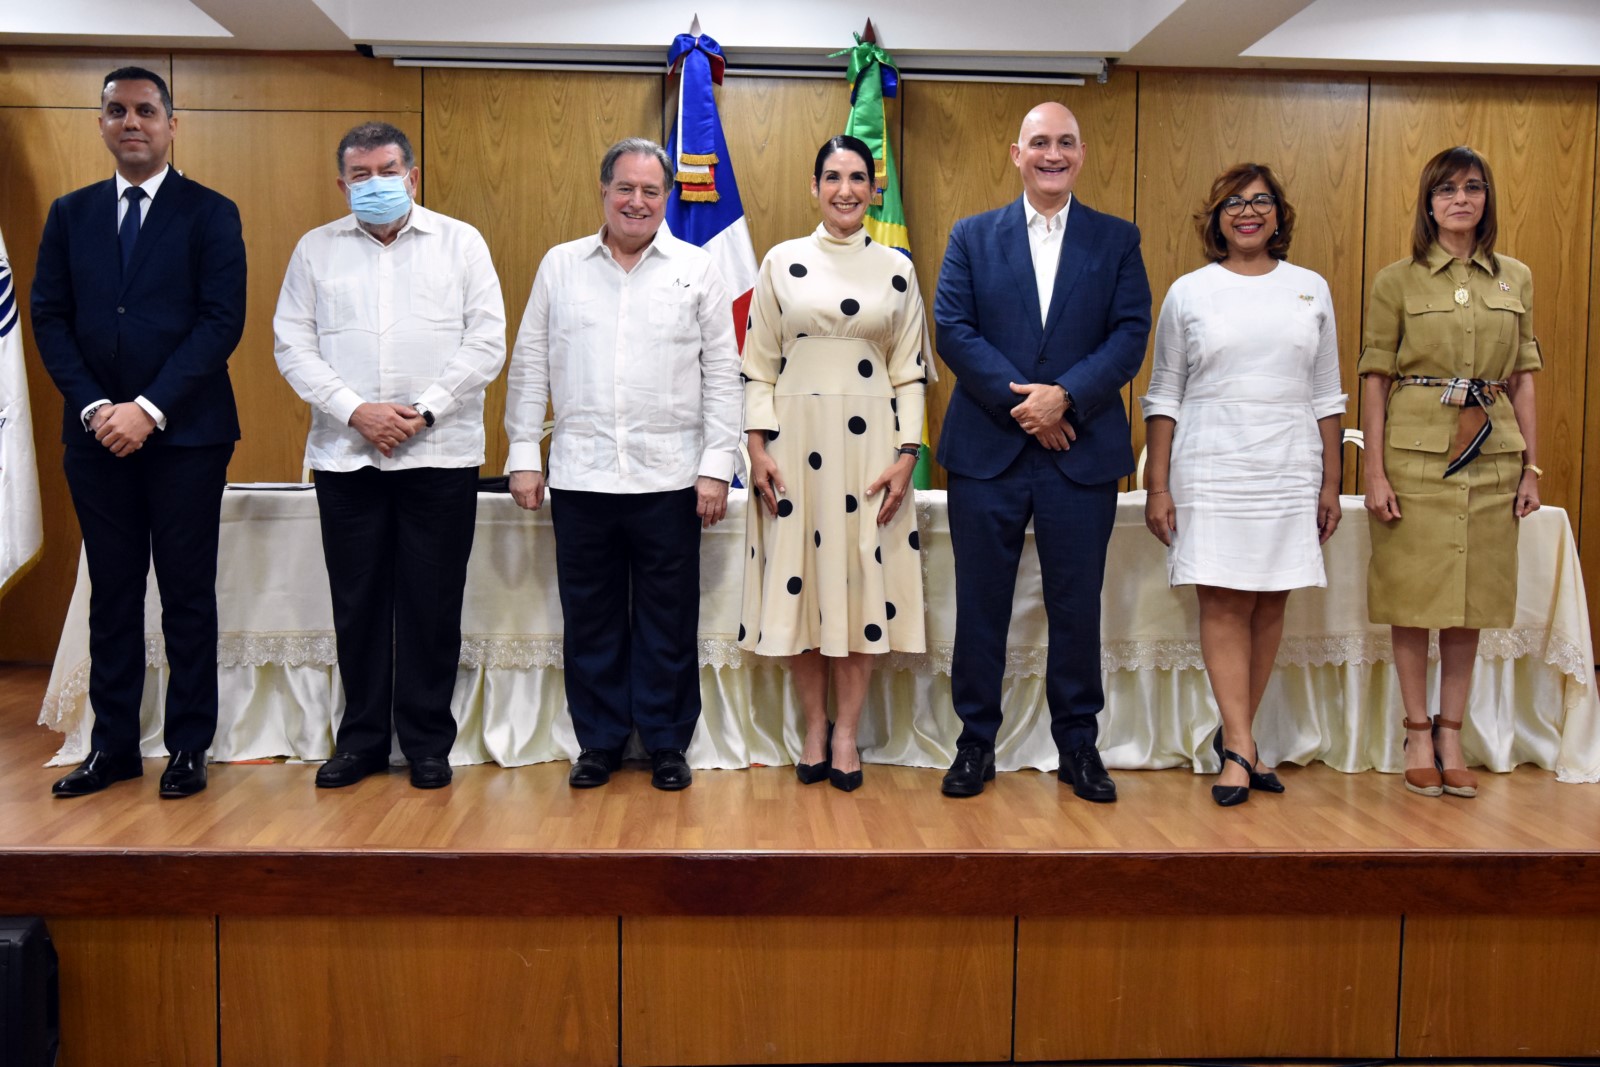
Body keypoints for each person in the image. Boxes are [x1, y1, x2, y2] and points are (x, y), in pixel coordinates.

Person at [32, 66, 246, 799]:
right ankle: (113, 745)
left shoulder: (211, 213)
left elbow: (221, 323)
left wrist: (147, 407)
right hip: (94, 438)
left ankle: (189, 746)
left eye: (147, 110)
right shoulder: (70, 213)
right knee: (113, 594)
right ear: (100, 123)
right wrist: (97, 407)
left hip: (186, 437)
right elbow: (50, 318)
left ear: (171, 123)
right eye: (118, 110)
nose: (132, 122)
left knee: (187, 594)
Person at [273, 122, 506, 790]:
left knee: (433, 603)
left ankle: (428, 741)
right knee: (359, 603)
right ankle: (363, 740)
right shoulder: (315, 251)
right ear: (341, 183)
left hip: (441, 452)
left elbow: (486, 341)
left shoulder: (460, 243)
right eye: (361, 174)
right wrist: (356, 410)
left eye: (388, 170)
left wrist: (423, 409)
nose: (376, 183)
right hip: (348, 457)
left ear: (413, 176)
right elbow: (292, 344)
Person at [504, 138, 741, 792]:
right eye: (625, 188)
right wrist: (524, 454)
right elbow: (529, 367)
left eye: (651, 191)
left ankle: (666, 742)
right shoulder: (560, 266)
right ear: (603, 191)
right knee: (591, 618)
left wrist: (717, 466)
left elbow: (724, 375)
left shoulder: (697, 269)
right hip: (580, 477)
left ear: (666, 197)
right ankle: (600, 741)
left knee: (669, 619)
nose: (637, 201)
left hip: (671, 479)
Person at [933, 101, 1151, 801]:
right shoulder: (972, 236)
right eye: (1039, 143)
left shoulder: (1117, 239)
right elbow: (953, 330)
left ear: (1081, 154)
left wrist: (1067, 397)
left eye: (1065, 143)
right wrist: (1030, 406)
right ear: (1015, 153)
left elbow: (1129, 333)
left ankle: (1079, 747)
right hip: (987, 451)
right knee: (982, 604)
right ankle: (975, 743)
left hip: (1080, 452)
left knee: (1076, 605)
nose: (1052, 154)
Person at [1140, 163, 1345, 807]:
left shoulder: (1310, 288)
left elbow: (1326, 393)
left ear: (1279, 215)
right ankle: (1237, 746)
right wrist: (1158, 484)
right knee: (1224, 600)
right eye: (1233, 202)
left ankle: (1241, 740)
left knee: (1270, 602)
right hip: (1212, 463)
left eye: (1260, 201)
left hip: (1289, 463)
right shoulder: (1189, 292)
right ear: (1217, 218)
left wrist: (1331, 482)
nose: (1247, 211)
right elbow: (1164, 392)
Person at [739, 135, 930, 793]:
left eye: (857, 177)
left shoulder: (898, 268)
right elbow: (756, 364)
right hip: (792, 445)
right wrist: (756, 449)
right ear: (813, 186)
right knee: (802, 584)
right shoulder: (780, 261)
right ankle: (813, 725)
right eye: (832, 176)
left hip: (871, 449)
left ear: (874, 188)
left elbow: (911, 373)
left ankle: (847, 733)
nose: (845, 188)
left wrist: (908, 454)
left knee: (853, 584)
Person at [1360, 146, 1540, 799]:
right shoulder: (1397, 280)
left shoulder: (1513, 277)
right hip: (1416, 454)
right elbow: (1375, 381)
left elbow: (1522, 379)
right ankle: (1414, 730)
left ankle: (1451, 732)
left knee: (1470, 602)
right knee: (1413, 598)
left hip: (1493, 453)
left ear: (1486, 198)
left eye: (1471, 188)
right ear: (1428, 203)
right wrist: (1373, 472)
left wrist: (1531, 468)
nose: (1459, 199)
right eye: (1446, 190)